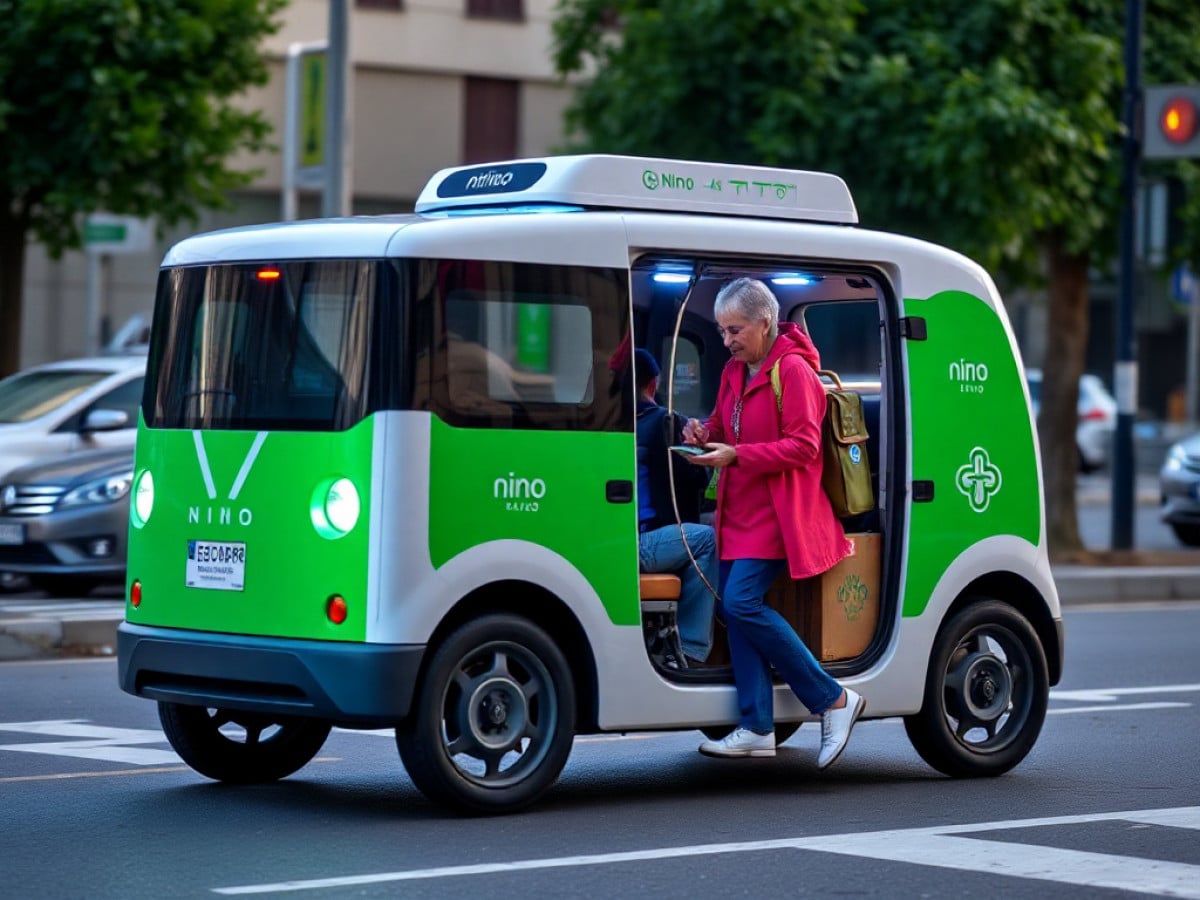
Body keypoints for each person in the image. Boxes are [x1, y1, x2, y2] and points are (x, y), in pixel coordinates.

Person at [681, 277, 865, 768]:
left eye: (734, 329)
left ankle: (833, 700)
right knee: (737, 606)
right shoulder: (734, 370)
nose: (726, 340)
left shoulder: (795, 372)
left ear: (765, 323)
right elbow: (724, 425)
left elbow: (804, 446)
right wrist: (702, 433)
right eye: (721, 331)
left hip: (778, 515)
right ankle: (758, 726)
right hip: (739, 511)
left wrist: (735, 455)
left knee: (741, 601)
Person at [633, 348, 718, 666]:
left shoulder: (607, 425)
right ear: (653, 384)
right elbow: (698, 480)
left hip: (611, 540)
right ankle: (693, 649)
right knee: (708, 538)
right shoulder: (667, 424)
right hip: (639, 545)